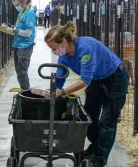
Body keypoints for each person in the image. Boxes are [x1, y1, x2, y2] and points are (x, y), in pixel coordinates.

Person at [44, 21, 129, 167]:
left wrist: (63, 92)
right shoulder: (64, 55)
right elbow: (59, 77)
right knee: (88, 116)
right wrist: (52, 92)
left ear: (63, 42)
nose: (53, 52)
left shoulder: (85, 48)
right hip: (97, 79)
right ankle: (95, 148)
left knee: (107, 121)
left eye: (54, 48)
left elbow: (84, 80)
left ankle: (99, 160)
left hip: (115, 78)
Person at [4, 0, 36, 90]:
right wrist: (9, 29)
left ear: (23, 3)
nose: (16, 7)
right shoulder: (20, 13)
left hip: (25, 46)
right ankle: (23, 90)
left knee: (22, 71)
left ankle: (26, 92)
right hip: (18, 45)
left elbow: (28, 33)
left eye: (17, 5)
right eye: (15, 5)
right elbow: (19, 28)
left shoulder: (29, 13)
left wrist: (13, 31)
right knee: (19, 71)